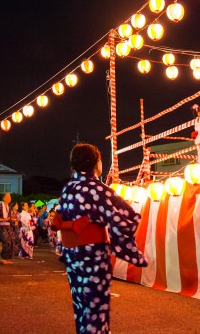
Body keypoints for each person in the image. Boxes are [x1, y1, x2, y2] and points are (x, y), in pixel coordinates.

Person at [53, 143, 147, 333]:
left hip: (72, 254)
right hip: (93, 254)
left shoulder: (67, 188)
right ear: (96, 164)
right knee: (96, 306)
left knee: (81, 303)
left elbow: (61, 217)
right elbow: (125, 217)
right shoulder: (97, 189)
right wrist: (124, 241)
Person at [0, 193, 16, 264]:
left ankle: (8, 258)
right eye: (8, 197)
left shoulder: (9, 207)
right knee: (6, 241)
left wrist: (12, 220)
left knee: (11, 241)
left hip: (8, 226)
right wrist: (4, 219)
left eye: (10, 196)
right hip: (1, 226)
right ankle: (3, 258)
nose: (10, 198)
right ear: (3, 198)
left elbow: (9, 219)